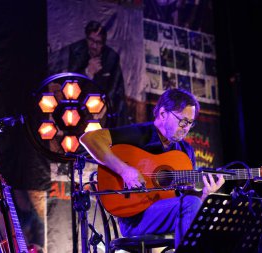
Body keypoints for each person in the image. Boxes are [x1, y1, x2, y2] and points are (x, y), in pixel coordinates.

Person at [80, 88, 225, 248]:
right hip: (135, 218)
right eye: (183, 121)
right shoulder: (140, 134)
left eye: (190, 123)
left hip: (166, 215)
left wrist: (204, 195)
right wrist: (124, 170)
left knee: (199, 207)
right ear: (163, 114)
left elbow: (187, 201)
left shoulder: (185, 151)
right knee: (190, 204)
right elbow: (89, 138)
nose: (186, 128)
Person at [68, 20, 128, 126]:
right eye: (91, 40)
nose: (94, 46)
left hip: (101, 108)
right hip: (79, 106)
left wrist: (105, 106)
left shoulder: (111, 57)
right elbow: (70, 84)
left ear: (103, 43)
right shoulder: (76, 51)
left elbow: (116, 89)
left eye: (98, 42)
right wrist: (88, 72)